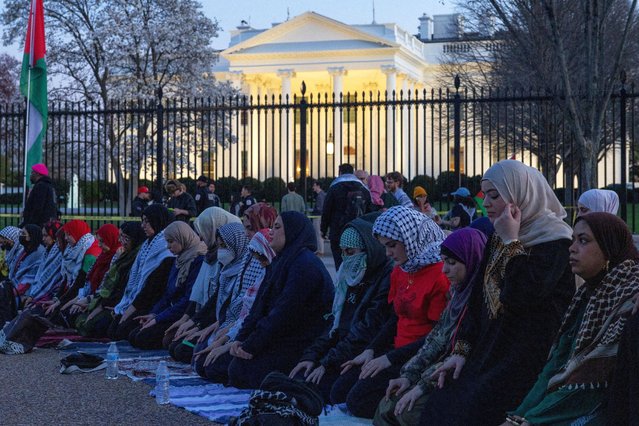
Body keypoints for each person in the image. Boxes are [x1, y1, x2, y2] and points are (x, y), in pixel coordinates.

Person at [419, 159, 575, 425]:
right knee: (440, 402)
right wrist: (461, 351)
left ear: (520, 194)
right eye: (485, 195)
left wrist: (511, 242)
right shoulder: (498, 236)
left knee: (468, 411)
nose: (486, 203)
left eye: (495, 195)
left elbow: (521, 296)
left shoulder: (555, 240)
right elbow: (479, 299)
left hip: (527, 356)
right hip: (491, 347)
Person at [504, 213, 639, 426]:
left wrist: (529, 420)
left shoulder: (628, 299)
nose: (572, 248)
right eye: (574, 239)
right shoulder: (588, 294)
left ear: (609, 249)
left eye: (583, 241)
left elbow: (589, 386)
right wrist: (518, 417)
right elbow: (556, 364)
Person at [329, 206, 449, 418]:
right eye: (385, 247)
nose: (388, 253)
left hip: (419, 356)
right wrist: (372, 351)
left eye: (392, 245)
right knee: (339, 389)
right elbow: (395, 318)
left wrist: (389, 358)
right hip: (394, 349)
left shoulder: (440, 275)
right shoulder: (401, 270)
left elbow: (436, 337)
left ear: (411, 238)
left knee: (357, 401)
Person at [374, 228, 487, 425]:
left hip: (460, 377)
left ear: (471, 259)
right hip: (431, 369)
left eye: (452, 263)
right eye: (444, 261)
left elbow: (462, 354)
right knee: (387, 403)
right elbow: (436, 339)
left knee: (406, 411)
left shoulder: (484, 302)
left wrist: (422, 385)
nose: (445, 269)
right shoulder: (457, 294)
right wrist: (409, 376)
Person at [289, 216, 394, 404]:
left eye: (351, 252)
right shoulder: (349, 276)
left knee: (327, 389)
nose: (346, 258)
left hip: (363, 351)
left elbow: (365, 329)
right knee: (300, 374)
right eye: (343, 252)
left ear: (368, 249)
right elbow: (334, 324)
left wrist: (326, 363)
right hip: (341, 350)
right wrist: (312, 357)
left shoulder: (384, 277)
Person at [226, 212, 334, 389]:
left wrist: (251, 346)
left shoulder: (305, 265)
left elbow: (283, 314)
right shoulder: (281, 260)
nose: (270, 233)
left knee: (238, 369)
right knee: (220, 363)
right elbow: (259, 307)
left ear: (292, 232)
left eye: (277, 228)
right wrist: (241, 339)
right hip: (277, 337)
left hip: (299, 341)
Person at [165, 207, 242, 362]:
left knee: (183, 350)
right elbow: (199, 295)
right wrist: (190, 321)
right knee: (173, 344)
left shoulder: (233, 259)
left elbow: (227, 307)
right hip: (209, 321)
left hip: (224, 326)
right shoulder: (211, 255)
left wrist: (198, 326)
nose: (202, 236)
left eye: (205, 230)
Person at [129, 221, 206, 349]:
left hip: (183, 315)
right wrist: (154, 314)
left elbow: (188, 300)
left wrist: (159, 318)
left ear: (183, 238)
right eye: (167, 242)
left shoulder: (197, 260)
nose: (168, 246)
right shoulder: (179, 260)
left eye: (171, 241)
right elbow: (168, 295)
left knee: (143, 338)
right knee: (133, 333)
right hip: (170, 312)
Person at [108, 204, 175, 340]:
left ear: (158, 220)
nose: (143, 225)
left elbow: (152, 288)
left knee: (124, 332)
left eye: (147, 221)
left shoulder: (166, 249)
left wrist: (130, 310)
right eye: (142, 221)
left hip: (153, 304)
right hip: (137, 301)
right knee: (112, 329)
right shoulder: (147, 245)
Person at [75, 222, 146, 337]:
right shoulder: (120, 256)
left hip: (120, 303)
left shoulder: (136, 257)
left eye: (125, 237)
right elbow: (101, 287)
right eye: (120, 236)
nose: (121, 241)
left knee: (99, 327)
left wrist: (98, 306)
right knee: (77, 316)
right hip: (106, 300)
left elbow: (122, 287)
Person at [58, 224, 122, 327]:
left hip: (104, 302)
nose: (99, 245)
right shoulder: (102, 256)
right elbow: (86, 283)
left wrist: (87, 301)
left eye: (102, 241)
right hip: (92, 298)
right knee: (64, 312)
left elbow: (108, 289)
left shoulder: (115, 258)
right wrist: (75, 300)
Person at [41, 220, 102, 322]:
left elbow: (80, 282)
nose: (65, 238)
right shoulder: (74, 249)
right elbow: (66, 280)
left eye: (69, 234)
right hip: (76, 294)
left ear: (77, 232)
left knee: (61, 315)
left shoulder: (90, 252)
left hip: (85, 295)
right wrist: (57, 300)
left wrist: (60, 303)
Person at [321, 163, 372, 269]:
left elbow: (326, 210)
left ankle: (342, 281)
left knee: (340, 261)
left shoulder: (334, 188)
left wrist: (323, 229)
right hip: (359, 229)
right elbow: (369, 210)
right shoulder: (363, 189)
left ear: (339, 173)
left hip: (338, 229)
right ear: (352, 172)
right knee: (358, 261)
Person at [0, 225, 45, 323]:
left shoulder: (38, 253)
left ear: (32, 236)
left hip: (27, 292)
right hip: (15, 287)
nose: (20, 236)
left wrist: (10, 293)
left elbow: (29, 281)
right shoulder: (24, 251)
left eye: (24, 234)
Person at [23, 220, 64, 306]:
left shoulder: (58, 253)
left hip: (52, 295)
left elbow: (48, 279)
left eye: (46, 235)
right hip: (39, 293)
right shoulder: (47, 251)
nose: (43, 239)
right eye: (43, 235)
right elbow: (40, 276)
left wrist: (32, 296)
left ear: (55, 236)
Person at [21, 163, 57, 227]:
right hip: (45, 223)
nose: (31, 175)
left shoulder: (41, 186)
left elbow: (38, 207)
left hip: (38, 225)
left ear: (37, 173)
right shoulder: (49, 186)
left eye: (32, 172)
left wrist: (30, 224)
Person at [311, 181, 327, 255]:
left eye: (314, 185)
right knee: (319, 233)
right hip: (321, 216)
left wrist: (313, 210)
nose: (313, 187)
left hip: (318, 216)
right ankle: (320, 249)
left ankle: (320, 250)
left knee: (318, 233)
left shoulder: (320, 196)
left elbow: (319, 208)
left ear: (318, 186)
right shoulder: (323, 194)